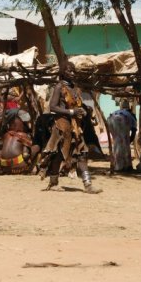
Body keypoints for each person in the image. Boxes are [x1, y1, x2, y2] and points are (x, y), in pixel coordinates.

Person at [41, 62, 102, 193]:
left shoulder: (75, 88)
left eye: (73, 71)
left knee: (81, 153)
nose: (72, 73)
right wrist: (71, 112)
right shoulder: (59, 87)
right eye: (69, 70)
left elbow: (77, 105)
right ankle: (53, 182)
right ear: (63, 72)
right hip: (62, 124)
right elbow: (53, 107)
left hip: (75, 125)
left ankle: (88, 185)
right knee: (59, 154)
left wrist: (83, 111)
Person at [107, 99, 137, 173]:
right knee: (124, 144)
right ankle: (124, 166)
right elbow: (134, 130)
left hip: (110, 118)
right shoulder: (131, 115)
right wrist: (130, 140)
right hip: (122, 119)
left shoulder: (116, 111)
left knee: (117, 142)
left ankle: (118, 165)